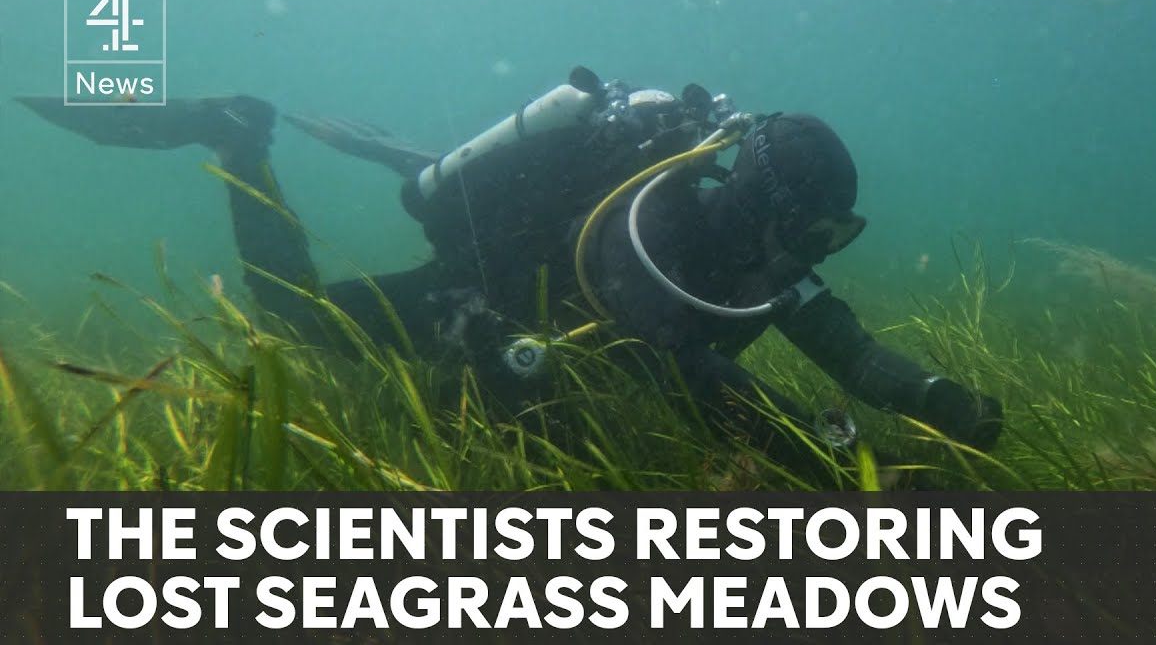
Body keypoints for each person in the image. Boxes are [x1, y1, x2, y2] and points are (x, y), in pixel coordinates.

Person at [16, 66, 1003, 481]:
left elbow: (846, 349)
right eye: (811, 231)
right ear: (763, 205)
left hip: (543, 343)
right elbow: (689, 371)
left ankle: (368, 155)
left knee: (548, 443)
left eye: (836, 237)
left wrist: (942, 403)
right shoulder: (656, 224)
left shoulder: (754, 253)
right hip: (473, 310)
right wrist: (841, 478)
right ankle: (237, 137)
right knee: (294, 318)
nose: (815, 253)